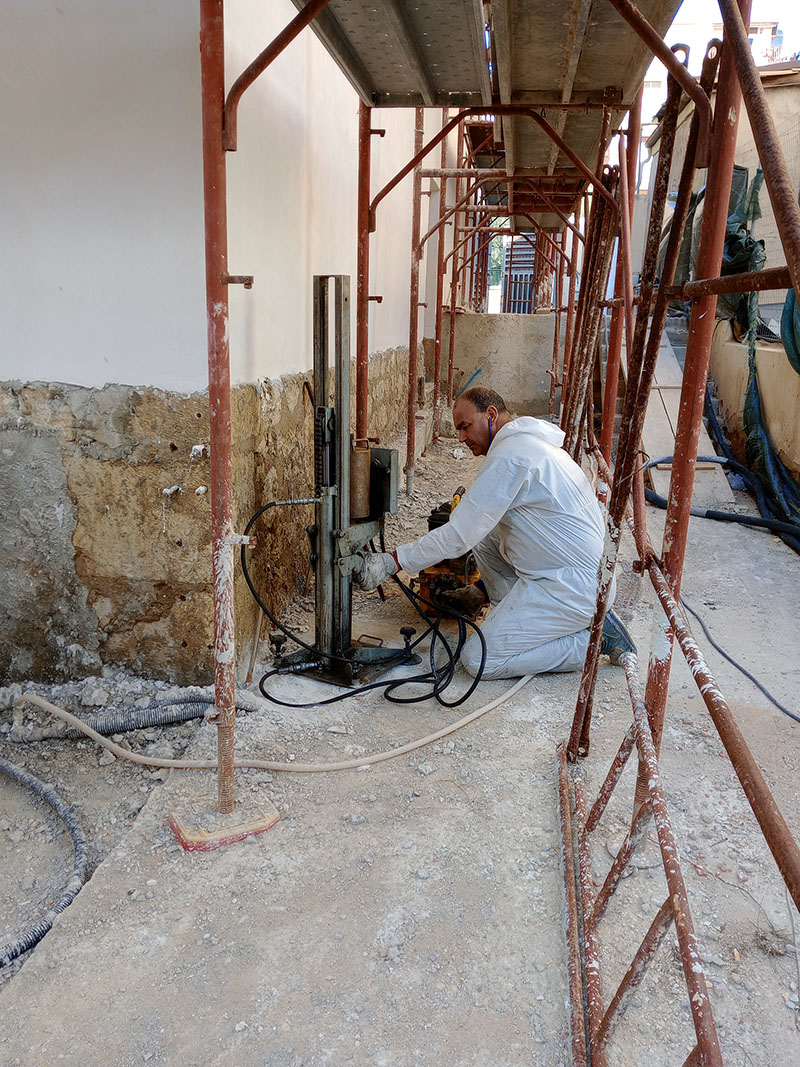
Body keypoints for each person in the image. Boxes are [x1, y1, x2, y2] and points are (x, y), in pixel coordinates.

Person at [355, 386, 634, 679]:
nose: (461, 438)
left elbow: (458, 535)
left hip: (571, 589)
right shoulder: (528, 445)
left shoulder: (512, 456)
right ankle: (507, 609)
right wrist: (481, 587)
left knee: (478, 661)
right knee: (485, 536)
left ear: (490, 414)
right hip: (580, 575)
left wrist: (392, 562)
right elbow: (473, 526)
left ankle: (590, 642)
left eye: (465, 426)